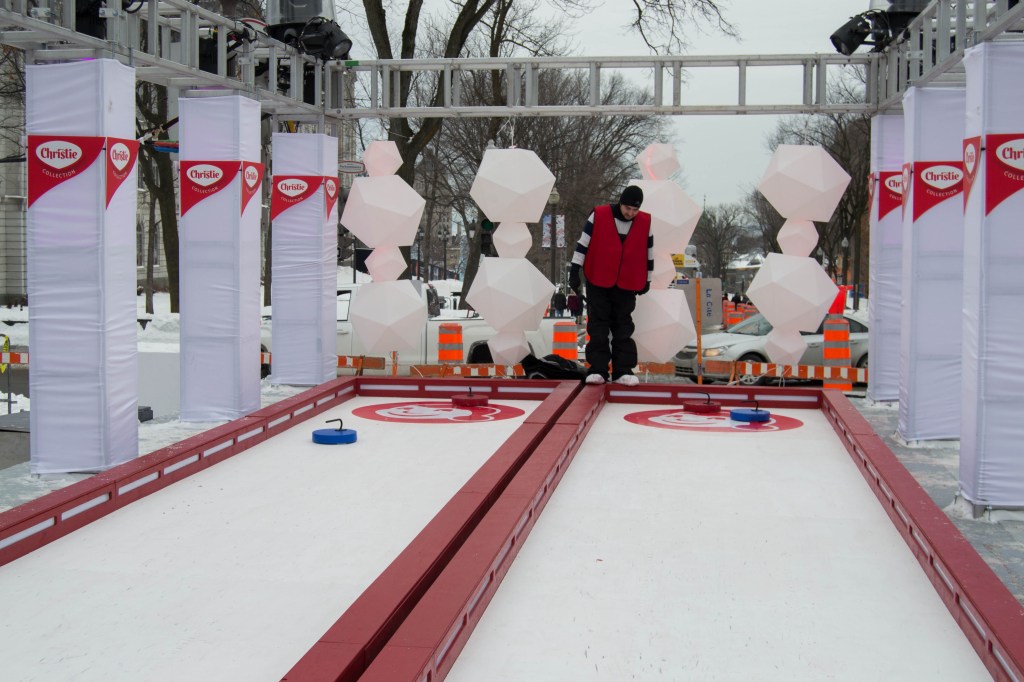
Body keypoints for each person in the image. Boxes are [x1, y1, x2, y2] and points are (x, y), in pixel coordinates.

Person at [568, 185, 653, 386]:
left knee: (623, 326)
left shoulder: (645, 222)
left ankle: (623, 370)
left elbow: (648, 253)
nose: (631, 213)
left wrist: (647, 279)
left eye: (635, 210)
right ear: (620, 203)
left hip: (626, 281)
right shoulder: (599, 215)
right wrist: (574, 270)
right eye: (628, 209)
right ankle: (597, 369)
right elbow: (583, 244)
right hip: (599, 278)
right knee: (598, 325)